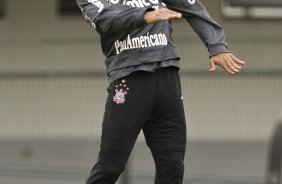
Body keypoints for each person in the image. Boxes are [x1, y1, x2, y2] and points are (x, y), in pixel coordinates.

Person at [76, 0, 245, 184]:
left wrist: (216, 45)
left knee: (173, 166)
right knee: (110, 167)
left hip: (167, 75)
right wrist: (144, 15)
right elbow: (104, 18)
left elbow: (191, 5)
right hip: (128, 80)